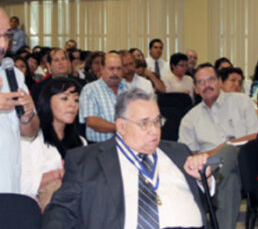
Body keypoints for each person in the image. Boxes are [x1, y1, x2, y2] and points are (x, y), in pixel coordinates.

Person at [42, 88, 213, 229]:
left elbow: (207, 202)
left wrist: (204, 179)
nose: (154, 130)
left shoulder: (180, 152)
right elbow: (61, 210)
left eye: (157, 121)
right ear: (121, 126)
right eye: (144, 123)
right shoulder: (86, 160)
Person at [178, 63, 258, 229]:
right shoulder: (189, 119)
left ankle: (211, 191)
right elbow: (189, 156)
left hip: (247, 166)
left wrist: (225, 146)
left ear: (220, 82)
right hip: (211, 172)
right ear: (196, 88)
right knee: (231, 181)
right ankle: (214, 189)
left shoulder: (241, 102)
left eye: (211, 79)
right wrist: (215, 154)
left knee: (230, 150)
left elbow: (255, 137)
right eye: (201, 82)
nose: (207, 85)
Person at [21, 77, 86, 211]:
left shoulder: (80, 142)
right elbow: (22, 185)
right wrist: (61, 174)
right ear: (47, 101)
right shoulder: (31, 140)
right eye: (64, 98)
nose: (72, 104)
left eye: (76, 100)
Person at [0, 7, 39, 193]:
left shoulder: (13, 75)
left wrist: (28, 115)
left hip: (8, 187)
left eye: (6, 36)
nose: (3, 45)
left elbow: (30, 133)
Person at [79, 52, 129, 143]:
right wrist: (122, 128)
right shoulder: (90, 90)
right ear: (102, 69)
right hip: (99, 146)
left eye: (119, 69)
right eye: (111, 69)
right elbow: (92, 121)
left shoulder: (129, 89)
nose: (115, 73)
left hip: (127, 144)